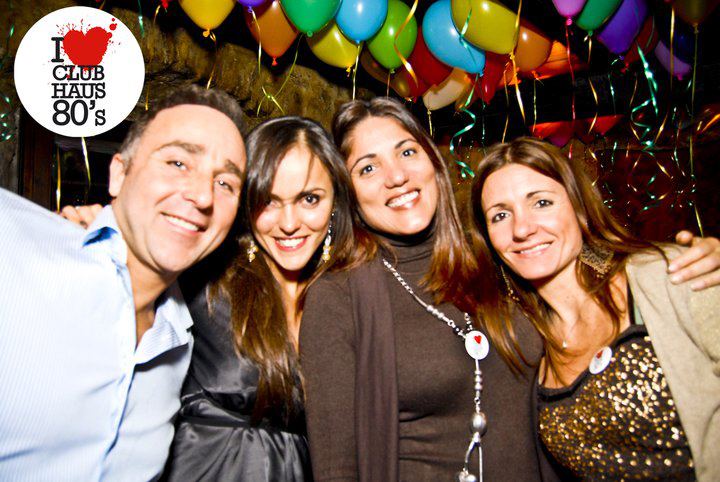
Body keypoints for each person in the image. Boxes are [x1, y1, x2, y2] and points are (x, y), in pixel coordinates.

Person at [299, 98, 720, 482]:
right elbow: (337, 468)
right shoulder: (337, 297)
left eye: (407, 152)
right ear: (348, 192)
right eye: (367, 168)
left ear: (432, 161)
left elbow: (575, 257)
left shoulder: (494, 264)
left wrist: (671, 262)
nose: (396, 176)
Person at [0, 85, 247, 481]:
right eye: (178, 163)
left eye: (225, 184)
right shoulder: (13, 247)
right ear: (119, 174)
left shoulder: (181, 339)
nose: (203, 195)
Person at [469, 137, 720, 481]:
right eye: (500, 215)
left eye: (541, 202)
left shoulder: (671, 274)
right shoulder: (522, 337)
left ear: (579, 208)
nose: (522, 229)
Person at [161, 116, 364, 481]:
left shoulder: (352, 297)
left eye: (309, 199)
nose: (288, 223)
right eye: (269, 201)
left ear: (335, 201)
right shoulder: (205, 279)